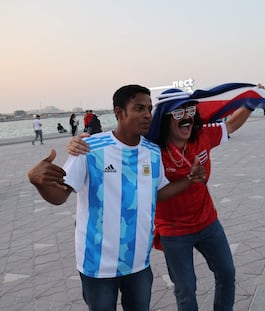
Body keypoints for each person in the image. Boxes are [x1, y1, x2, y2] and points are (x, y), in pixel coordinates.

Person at [67, 83, 265, 310]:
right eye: (178, 113)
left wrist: (250, 100)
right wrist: (78, 142)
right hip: (173, 231)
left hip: (208, 222)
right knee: (186, 288)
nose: (186, 118)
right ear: (166, 118)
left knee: (227, 273)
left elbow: (231, 125)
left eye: (189, 112)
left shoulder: (202, 137)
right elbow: (123, 140)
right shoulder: (152, 148)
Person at [27, 84, 206, 311]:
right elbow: (60, 196)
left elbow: (158, 193)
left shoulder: (151, 151)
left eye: (149, 109)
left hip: (139, 262)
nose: (147, 115)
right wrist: (38, 181)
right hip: (98, 264)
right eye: (139, 108)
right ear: (119, 112)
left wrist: (191, 179)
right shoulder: (89, 148)